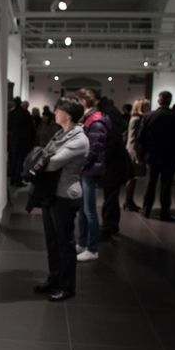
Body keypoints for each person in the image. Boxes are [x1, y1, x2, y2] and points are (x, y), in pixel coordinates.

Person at [33, 97, 89, 301]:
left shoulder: (80, 139)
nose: (55, 112)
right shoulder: (60, 133)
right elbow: (43, 154)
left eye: (59, 109)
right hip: (51, 193)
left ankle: (67, 287)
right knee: (52, 241)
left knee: (64, 243)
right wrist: (42, 158)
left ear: (69, 114)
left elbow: (51, 163)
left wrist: (41, 159)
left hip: (65, 195)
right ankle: (54, 279)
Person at [137, 91, 175, 220]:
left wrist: (141, 154)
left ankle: (146, 209)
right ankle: (165, 212)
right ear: (170, 101)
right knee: (166, 185)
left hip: (152, 155)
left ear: (159, 101)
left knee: (150, 183)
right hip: (170, 157)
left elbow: (141, 138)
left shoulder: (148, 116)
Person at [75, 88, 108, 262]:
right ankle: (83, 243)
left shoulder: (95, 121)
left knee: (89, 210)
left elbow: (94, 149)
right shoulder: (90, 119)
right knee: (83, 209)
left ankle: (92, 248)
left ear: (83, 102)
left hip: (89, 170)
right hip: (86, 169)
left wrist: (82, 164)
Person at [98, 97, 130, 239]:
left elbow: (111, 141)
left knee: (110, 196)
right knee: (111, 196)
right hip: (115, 161)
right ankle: (111, 225)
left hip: (112, 163)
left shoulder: (108, 114)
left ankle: (108, 227)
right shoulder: (112, 113)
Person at [124, 99, 150, 211]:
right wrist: (137, 155)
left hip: (132, 150)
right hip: (133, 151)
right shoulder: (137, 119)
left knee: (132, 178)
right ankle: (128, 202)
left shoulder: (135, 118)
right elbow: (134, 139)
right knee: (132, 177)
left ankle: (128, 202)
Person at [7, 97, 35, 186]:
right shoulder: (25, 113)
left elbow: (9, 127)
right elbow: (31, 128)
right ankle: (18, 180)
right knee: (20, 161)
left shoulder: (11, 113)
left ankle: (12, 180)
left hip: (14, 140)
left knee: (13, 160)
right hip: (23, 141)